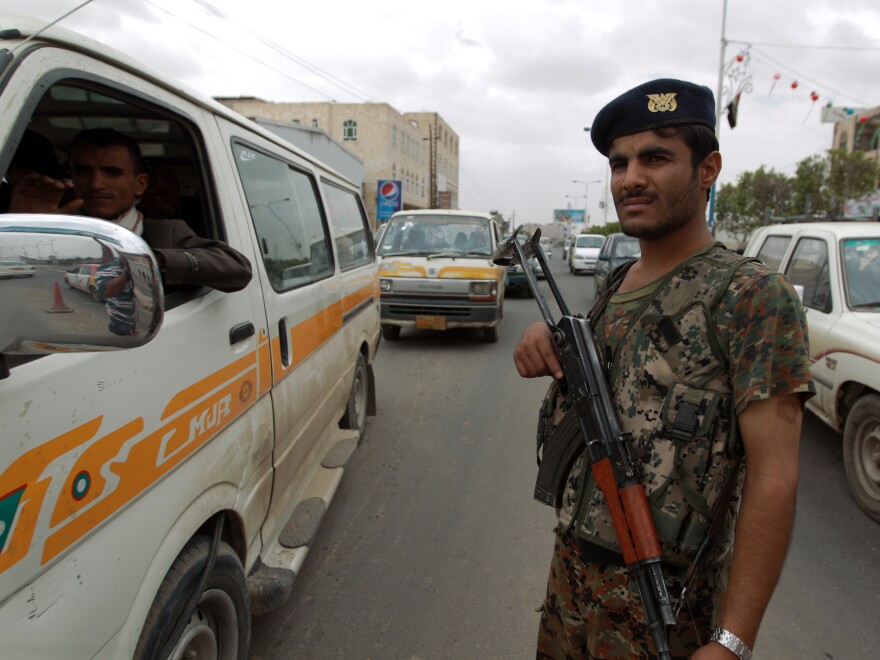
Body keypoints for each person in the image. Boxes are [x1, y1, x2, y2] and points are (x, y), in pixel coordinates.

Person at [513, 79, 814, 660]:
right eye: (619, 163)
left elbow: (775, 478)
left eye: (656, 158)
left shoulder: (751, 296)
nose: (630, 178)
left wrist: (732, 642)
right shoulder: (614, 286)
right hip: (571, 587)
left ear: (708, 169)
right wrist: (541, 339)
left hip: (668, 610)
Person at [8, 128, 251, 292]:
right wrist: (23, 231)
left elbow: (237, 268)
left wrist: (151, 261)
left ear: (140, 184)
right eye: (83, 171)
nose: (95, 184)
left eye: (112, 172)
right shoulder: (56, 224)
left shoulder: (166, 231)